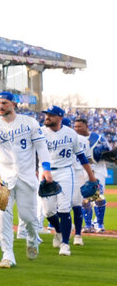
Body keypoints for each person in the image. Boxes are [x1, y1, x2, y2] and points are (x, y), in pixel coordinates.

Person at [0, 92, 50, 261]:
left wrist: (46, 168)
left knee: (28, 218)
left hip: (26, 176)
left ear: (13, 104)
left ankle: (32, 238)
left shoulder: (29, 122)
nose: (0, 106)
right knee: (2, 216)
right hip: (2, 177)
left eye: (4, 103)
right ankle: (7, 254)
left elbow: (42, 147)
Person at [39, 106, 97, 256]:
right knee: (48, 211)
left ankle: (65, 244)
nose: (47, 117)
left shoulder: (71, 134)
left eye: (51, 115)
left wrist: (91, 176)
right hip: (45, 172)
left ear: (60, 117)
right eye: (46, 114)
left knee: (64, 208)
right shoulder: (40, 132)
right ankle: (59, 230)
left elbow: (82, 156)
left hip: (65, 171)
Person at [73, 117, 110, 232]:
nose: (77, 128)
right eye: (75, 126)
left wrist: (107, 156)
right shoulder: (74, 139)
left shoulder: (99, 139)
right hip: (81, 171)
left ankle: (99, 224)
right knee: (84, 198)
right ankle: (88, 225)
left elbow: (108, 154)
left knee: (98, 196)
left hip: (98, 170)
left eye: (79, 126)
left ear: (86, 126)